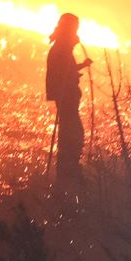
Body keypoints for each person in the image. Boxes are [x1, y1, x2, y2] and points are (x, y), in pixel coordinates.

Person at [45, 12, 92, 189]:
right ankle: (67, 177)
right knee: (72, 136)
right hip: (67, 99)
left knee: (72, 135)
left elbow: (66, 69)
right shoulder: (62, 48)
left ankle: (67, 174)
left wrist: (81, 66)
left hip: (67, 98)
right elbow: (63, 72)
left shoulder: (61, 47)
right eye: (75, 28)